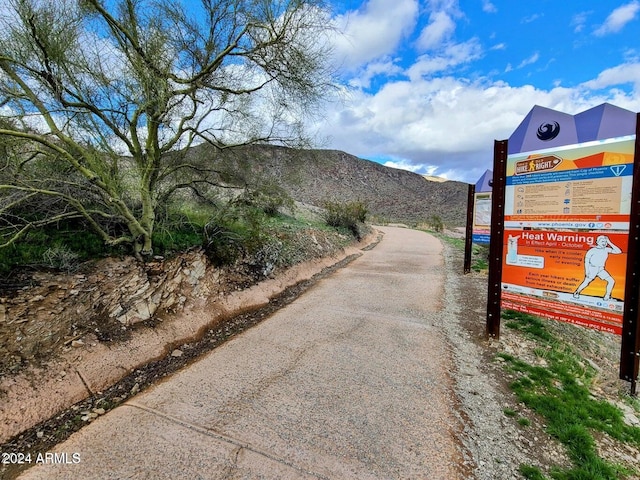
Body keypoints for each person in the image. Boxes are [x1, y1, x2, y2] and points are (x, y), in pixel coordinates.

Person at [573, 235, 621, 301]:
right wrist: (587, 271)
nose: (604, 243)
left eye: (605, 241)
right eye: (602, 241)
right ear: (597, 242)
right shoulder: (592, 250)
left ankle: (607, 296)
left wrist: (609, 242)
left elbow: (618, 251)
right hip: (592, 269)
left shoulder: (606, 249)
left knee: (611, 281)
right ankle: (577, 292)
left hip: (601, 269)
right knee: (586, 282)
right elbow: (586, 261)